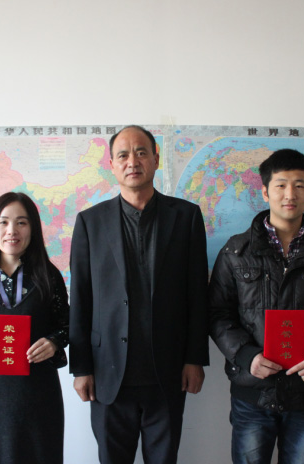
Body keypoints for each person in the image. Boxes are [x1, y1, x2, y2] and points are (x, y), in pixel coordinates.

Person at [208, 149, 304, 464]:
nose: (290, 194)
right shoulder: (235, 253)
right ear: (265, 192)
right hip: (252, 394)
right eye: (280, 185)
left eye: (299, 185)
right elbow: (216, 313)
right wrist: (246, 356)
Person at [69, 125, 209, 463]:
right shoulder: (90, 222)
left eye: (142, 152)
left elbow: (197, 295)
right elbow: (81, 299)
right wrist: (81, 368)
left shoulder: (186, 217)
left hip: (168, 372)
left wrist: (194, 358)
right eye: (123, 155)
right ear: (112, 165)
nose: (133, 161)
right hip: (107, 374)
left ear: (156, 160)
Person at [0, 192, 70, 464]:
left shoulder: (49, 276)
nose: (11, 231)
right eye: (3, 222)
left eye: (21, 222)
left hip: (38, 394)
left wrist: (53, 342)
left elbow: (67, 326)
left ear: (33, 229)